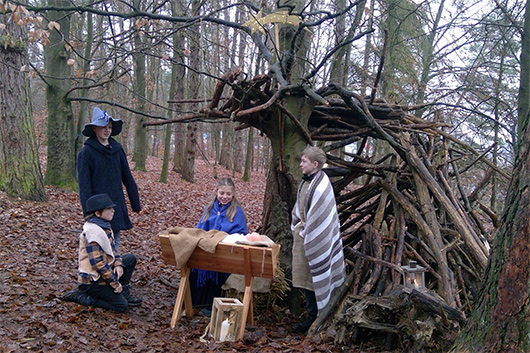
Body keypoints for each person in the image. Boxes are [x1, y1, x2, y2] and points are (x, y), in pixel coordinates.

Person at [291, 146, 345, 333]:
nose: (300, 164)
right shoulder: (305, 182)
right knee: (307, 278)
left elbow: (320, 216)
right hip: (304, 235)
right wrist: (297, 225)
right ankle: (311, 314)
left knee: (317, 276)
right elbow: (300, 208)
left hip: (317, 238)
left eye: (304, 161)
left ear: (315, 164)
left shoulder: (322, 185)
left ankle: (317, 316)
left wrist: (309, 233)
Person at [62, 193, 142, 312]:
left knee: (129, 259)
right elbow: (97, 263)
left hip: (104, 273)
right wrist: (115, 283)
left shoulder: (105, 226)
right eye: (108, 209)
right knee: (121, 306)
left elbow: (113, 250)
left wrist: (118, 264)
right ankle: (84, 297)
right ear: (97, 213)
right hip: (92, 280)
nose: (113, 211)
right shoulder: (92, 232)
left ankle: (124, 292)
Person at [77, 107, 141, 250]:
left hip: (115, 204)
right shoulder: (86, 153)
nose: (107, 130)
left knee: (114, 242)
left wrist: (135, 204)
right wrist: (89, 212)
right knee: (99, 244)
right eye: (103, 127)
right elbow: (84, 186)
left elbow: (127, 178)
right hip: (97, 209)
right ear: (94, 128)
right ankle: (101, 271)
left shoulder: (117, 150)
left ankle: (113, 270)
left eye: (110, 127)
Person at [189, 176, 248, 315]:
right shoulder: (210, 208)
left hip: (226, 253)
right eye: (222, 193)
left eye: (228, 194)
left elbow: (241, 234)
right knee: (195, 266)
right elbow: (200, 228)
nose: (224, 196)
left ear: (233, 194)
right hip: (207, 248)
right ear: (216, 191)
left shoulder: (236, 211)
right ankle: (192, 300)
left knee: (216, 269)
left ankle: (209, 305)